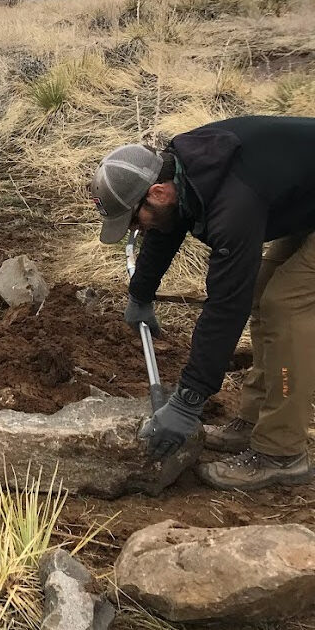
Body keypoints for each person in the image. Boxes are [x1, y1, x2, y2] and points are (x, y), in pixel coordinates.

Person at [88, 116, 315, 491]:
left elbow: (226, 307)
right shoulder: (181, 170)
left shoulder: (233, 207)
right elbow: (166, 226)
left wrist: (187, 400)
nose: (135, 231)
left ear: (157, 193)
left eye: (133, 221)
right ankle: (254, 418)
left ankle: (282, 452)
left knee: (285, 305)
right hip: (305, 198)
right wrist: (140, 294)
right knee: (263, 292)